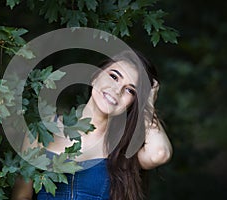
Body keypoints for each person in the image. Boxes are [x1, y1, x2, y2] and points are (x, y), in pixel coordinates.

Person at [11, 50, 172, 200]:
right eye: (114, 77)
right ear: (96, 77)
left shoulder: (125, 149)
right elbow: (21, 196)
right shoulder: (42, 130)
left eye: (130, 90)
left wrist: (148, 105)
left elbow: (160, 153)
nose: (117, 90)